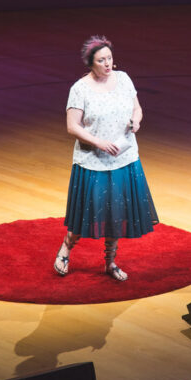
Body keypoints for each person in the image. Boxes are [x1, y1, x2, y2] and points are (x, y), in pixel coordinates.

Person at [54, 35, 158, 281]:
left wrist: (137, 121)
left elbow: (137, 108)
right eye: (101, 60)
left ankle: (110, 262)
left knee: (117, 213)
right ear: (90, 63)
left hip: (124, 156)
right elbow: (72, 127)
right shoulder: (80, 89)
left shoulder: (123, 79)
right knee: (86, 212)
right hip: (93, 161)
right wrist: (98, 142)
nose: (108, 64)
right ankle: (65, 250)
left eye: (109, 58)